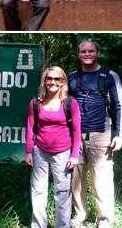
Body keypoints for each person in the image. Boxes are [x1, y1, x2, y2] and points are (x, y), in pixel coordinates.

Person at [68, 39, 122, 228]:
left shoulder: (109, 76)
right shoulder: (71, 77)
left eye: (91, 51)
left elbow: (119, 106)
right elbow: (64, 105)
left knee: (101, 176)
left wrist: (119, 134)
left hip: (100, 134)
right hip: (75, 134)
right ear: (78, 54)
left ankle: (104, 217)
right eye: (83, 51)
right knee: (75, 177)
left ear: (97, 52)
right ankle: (79, 215)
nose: (87, 54)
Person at [26, 66, 81, 228]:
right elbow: (30, 127)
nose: (53, 82)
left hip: (63, 153)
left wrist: (74, 155)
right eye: (49, 78)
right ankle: (38, 225)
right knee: (37, 190)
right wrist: (29, 151)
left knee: (62, 192)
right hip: (40, 151)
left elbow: (77, 130)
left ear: (63, 82)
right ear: (44, 81)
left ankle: (62, 225)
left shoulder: (70, 103)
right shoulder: (36, 102)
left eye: (57, 79)